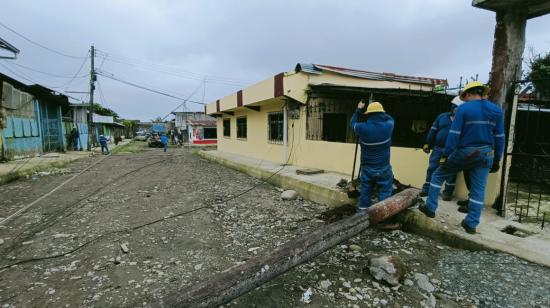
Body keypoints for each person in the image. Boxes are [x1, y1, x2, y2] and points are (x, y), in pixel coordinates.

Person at [419, 81, 505, 234]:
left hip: (465, 152)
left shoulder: (464, 109)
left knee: (438, 175)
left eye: (464, 97)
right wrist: (497, 158)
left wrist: (446, 154)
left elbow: (454, 135)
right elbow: (500, 137)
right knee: (478, 190)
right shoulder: (496, 110)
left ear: (469, 94)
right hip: (487, 154)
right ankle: (471, 224)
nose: (463, 100)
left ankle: (430, 207)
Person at [350, 101, 395, 211]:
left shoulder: (362, 128)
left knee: (365, 191)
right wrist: (382, 112)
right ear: (381, 114)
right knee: (384, 192)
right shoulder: (389, 125)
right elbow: (390, 118)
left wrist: (358, 109)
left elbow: (352, 123)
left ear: (368, 114)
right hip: (384, 168)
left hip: (367, 168)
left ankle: (362, 214)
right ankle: (383, 217)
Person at [420, 96, 463, 199]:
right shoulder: (442, 117)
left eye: (459, 107)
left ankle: (447, 193)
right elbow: (433, 131)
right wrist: (427, 144)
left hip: (455, 150)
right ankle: (426, 190)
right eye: (455, 107)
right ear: (452, 107)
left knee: (452, 172)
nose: (456, 109)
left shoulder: (463, 121)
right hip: (438, 149)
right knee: (432, 169)